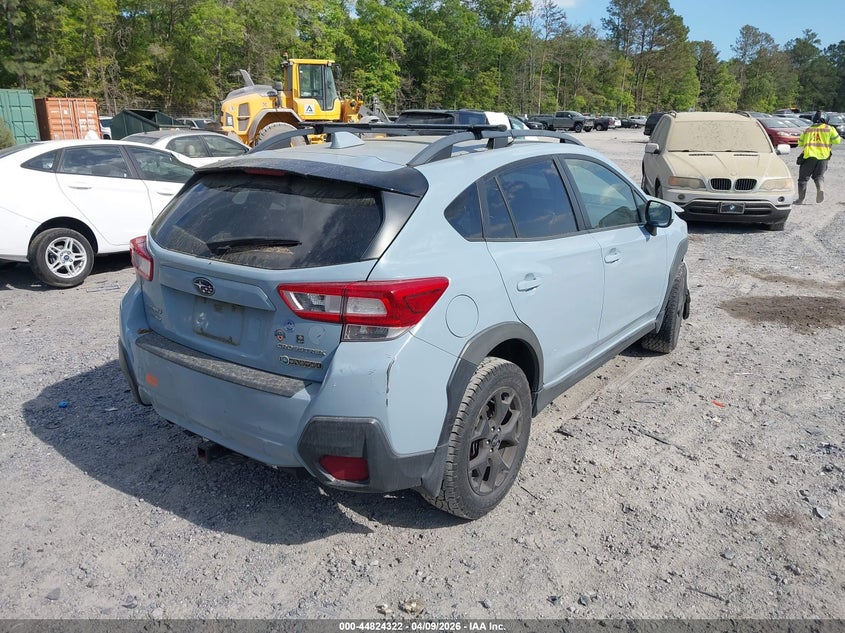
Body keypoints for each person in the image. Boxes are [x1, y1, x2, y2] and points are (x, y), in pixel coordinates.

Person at [795, 110, 840, 204]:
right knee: (819, 176)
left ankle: (800, 200)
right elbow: (837, 141)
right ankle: (820, 188)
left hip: (809, 157)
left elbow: (800, 143)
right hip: (823, 157)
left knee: (803, 179)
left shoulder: (808, 130)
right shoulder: (829, 129)